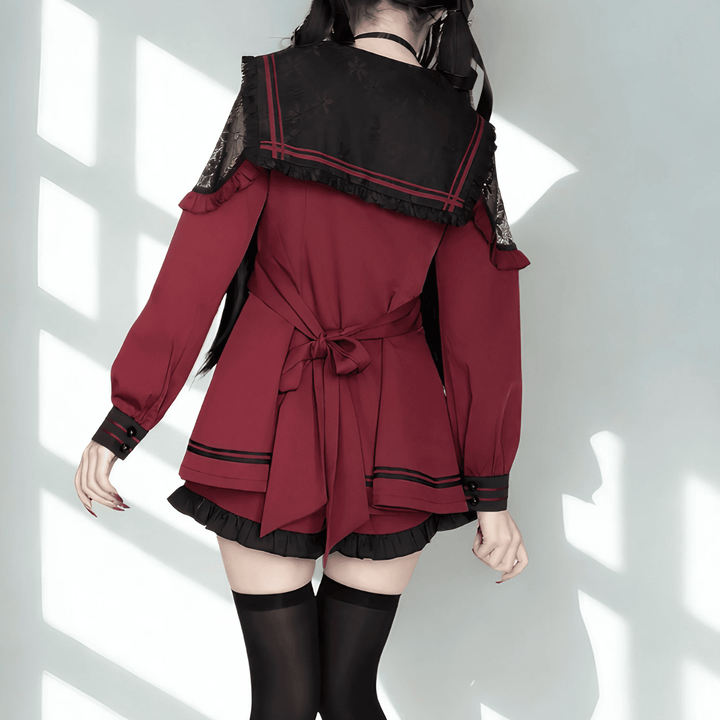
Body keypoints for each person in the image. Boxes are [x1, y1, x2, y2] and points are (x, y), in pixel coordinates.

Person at [73, 0, 530, 717]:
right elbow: (483, 330)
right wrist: (491, 492)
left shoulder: (276, 91)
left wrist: (125, 419)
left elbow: (199, 264)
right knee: (349, 695)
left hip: (265, 402)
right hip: (397, 426)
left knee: (282, 698)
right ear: (441, 11)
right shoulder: (465, 137)